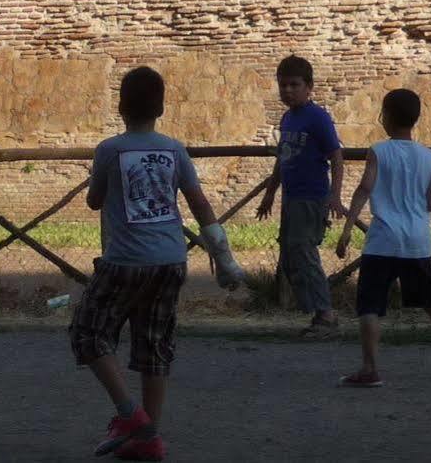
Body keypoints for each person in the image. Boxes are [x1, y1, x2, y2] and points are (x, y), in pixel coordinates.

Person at [75, 65, 246, 462]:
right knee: (154, 346)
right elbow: (200, 204)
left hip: (126, 261)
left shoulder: (109, 150)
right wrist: (225, 258)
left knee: (87, 332)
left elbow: (94, 201)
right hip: (171, 259)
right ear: (163, 108)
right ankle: (149, 440)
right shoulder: (175, 150)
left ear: (120, 107)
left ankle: (132, 418)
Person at [334, 87, 431, 387]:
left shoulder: (379, 151)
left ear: (386, 117)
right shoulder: (428, 155)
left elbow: (365, 189)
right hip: (416, 241)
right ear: (416, 119)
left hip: (382, 240)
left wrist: (347, 229)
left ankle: (370, 368)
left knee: (370, 306)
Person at [255, 53, 346, 334]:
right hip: (291, 197)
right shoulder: (287, 119)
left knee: (304, 253)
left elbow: (337, 156)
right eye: (283, 85)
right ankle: (315, 310)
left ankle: (325, 313)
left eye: (294, 85)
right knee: (293, 253)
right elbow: (283, 158)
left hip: (311, 195)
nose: (288, 91)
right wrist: (270, 192)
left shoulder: (318, 117)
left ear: (309, 87)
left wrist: (335, 195)